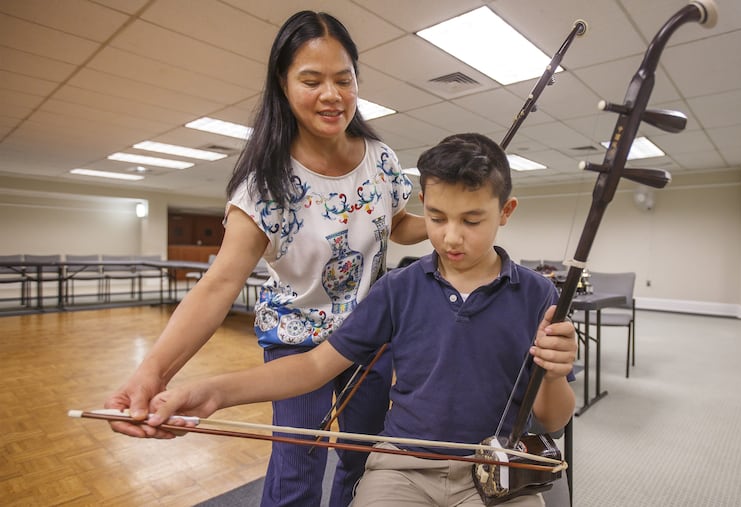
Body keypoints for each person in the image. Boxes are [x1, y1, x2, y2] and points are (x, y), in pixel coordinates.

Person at [142, 133, 578, 506]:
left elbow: (553, 419)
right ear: (422, 203)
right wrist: (213, 391)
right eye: (437, 217)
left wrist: (556, 374)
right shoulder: (397, 288)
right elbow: (313, 366)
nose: (451, 236)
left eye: (472, 220)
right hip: (402, 468)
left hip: (495, 468)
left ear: (506, 211)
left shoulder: (537, 295)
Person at [104, 10, 426, 507]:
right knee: (298, 469)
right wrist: (154, 372)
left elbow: (398, 223)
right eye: (311, 80)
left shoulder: (380, 159)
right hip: (295, 340)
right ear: (282, 84)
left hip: (367, 336)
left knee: (363, 460)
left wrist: (448, 224)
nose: (332, 94)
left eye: (344, 79)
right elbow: (218, 285)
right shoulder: (265, 184)